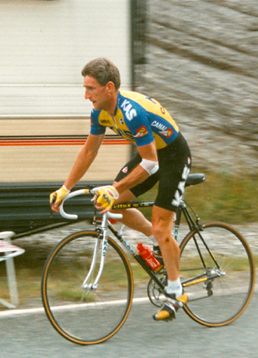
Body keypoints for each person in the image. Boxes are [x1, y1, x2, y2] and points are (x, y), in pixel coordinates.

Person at [50, 57, 192, 322]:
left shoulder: (131, 111)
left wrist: (114, 188)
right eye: (85, 88)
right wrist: (65, 188)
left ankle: (176, 291)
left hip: (172, 156)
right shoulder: (100, 111)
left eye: (90, 89)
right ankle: (156, 240)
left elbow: (151, 164)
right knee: (110, 206)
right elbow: (89, 150)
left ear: (109, 88)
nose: (85, 95)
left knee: (161, 225)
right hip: (151, 156)